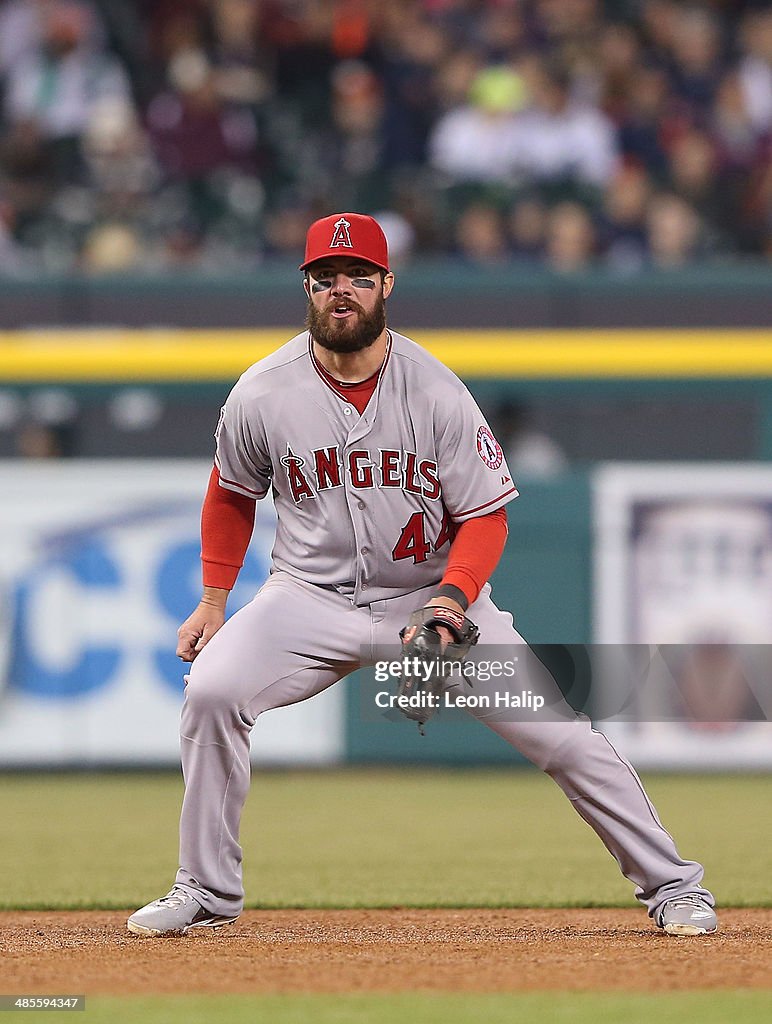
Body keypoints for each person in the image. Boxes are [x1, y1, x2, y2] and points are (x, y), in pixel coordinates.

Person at [127, 212, 717, 939]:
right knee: (213, 692)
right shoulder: (262, 390)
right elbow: (230, 493)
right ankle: (207, 892)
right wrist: (214, 602)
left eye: (359, 279)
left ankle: (675, 888)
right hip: (307, 601)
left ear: (387, 286)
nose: (341, 291)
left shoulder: (435, 389)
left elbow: (486, 515)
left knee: (564, 737)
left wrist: (451, 599)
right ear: (307, 287)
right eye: (326, 279)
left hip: (430, 601)